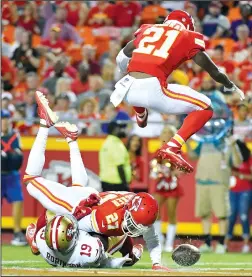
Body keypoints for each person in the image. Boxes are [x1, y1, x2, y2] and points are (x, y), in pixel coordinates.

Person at [23, 90, 169, 271]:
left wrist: (156, 264)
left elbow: (152, 238)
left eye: (138, 225)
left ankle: (71, 139)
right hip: (80, 207)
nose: (134, 228)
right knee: (31, 180)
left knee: (81, 189)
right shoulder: (106, 219)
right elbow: (73, 222)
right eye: (133, 222)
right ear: (128, 210)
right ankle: (45, 124)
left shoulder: (139, 212)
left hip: (95, 199)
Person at [112, 9, 245, 174]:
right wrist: (229, 84)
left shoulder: (148, 29)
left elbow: (121, 58)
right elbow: (214, 72)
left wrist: (130, 72)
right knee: (206, 108)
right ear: (188, 26)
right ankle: (173, 146)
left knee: (140, 92)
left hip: (127, 88)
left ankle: (140, 113)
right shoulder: (187, 36)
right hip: (152, 88)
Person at [187, 130, 242, 254]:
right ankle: (207, 243)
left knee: (222, 214)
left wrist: (234, 145)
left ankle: (221, 244)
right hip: (202, 181)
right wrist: (188, 143)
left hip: (219, 182)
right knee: (204, 213)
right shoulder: (204, 142)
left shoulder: (229, 144)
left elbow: (238, 162)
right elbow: (193, 156)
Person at [26, 212, 134, 268]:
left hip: (53, 253)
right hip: (93, 245)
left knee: (50, 212)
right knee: (111, 234)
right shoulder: (89, 252)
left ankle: (34, 244)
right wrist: (115, 262)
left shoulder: (41, 241)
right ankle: (131, 254)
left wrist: (35, 239)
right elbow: (105, 262)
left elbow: (41, 221)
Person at [150, 126, 184, 252]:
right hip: (160, 185)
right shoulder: (157, 151)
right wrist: (158, 170)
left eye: (168, 133)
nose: (165, 135)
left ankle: (169, 243)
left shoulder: (177, 151)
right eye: (164, 133)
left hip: (173, 186)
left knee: (171, 213)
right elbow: (154, 166)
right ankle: (159, 240)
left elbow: (182, 168)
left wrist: (175, 171)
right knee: (156, 212)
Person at [1, 110, 27, 246]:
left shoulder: (15, 136)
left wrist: (14, 156)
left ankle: (17, 232)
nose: (4, 121)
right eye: (2, 119)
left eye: (6, 119)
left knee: (18, 200)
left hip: (11, 174)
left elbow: (19, 155)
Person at [226, 140, 252, 253]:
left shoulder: (249, 159)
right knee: (231, 216)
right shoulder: (232, 159)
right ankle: (225, 243)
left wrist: (239, 175)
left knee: (243, 216)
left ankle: (246, 244)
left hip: (245, 190)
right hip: (232, 190)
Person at [99, 121, 131, 192]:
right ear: (115, 130)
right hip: (117, 183)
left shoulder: (106, 143)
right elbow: (119, 166)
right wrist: (125, 184)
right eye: (120, 128)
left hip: (105, 181)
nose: (123, 131)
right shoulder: (116, 145)